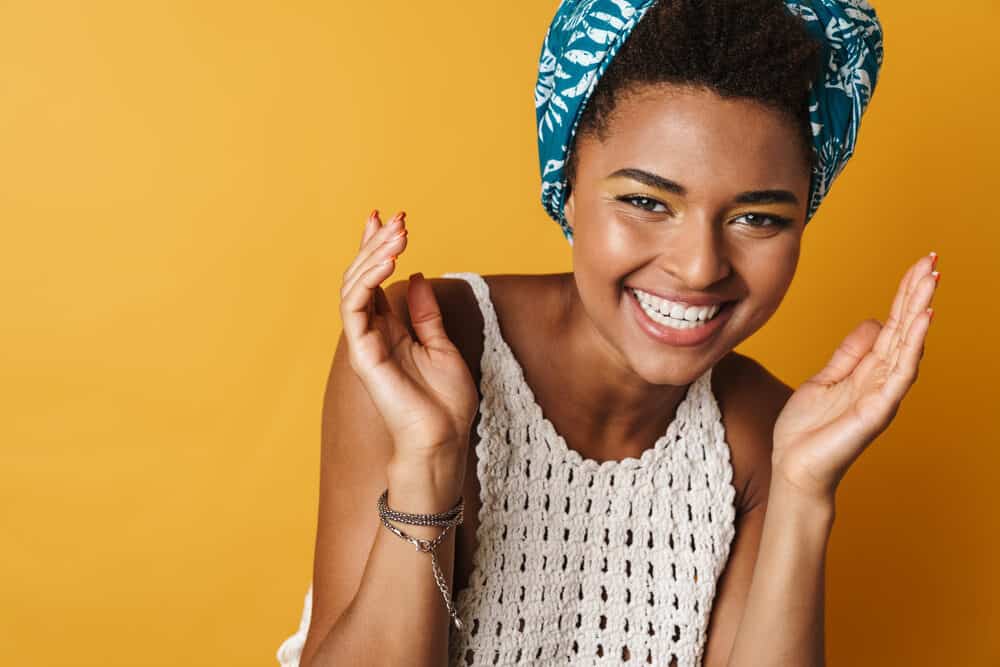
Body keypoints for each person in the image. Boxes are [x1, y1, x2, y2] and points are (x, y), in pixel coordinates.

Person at [278, 0, 938, 665]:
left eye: (758, 218)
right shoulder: (424, 349)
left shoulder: (760, 430)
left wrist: (804, 491)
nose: (700, 266)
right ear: (566, 184)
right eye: (647, 202)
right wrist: (427, 459)